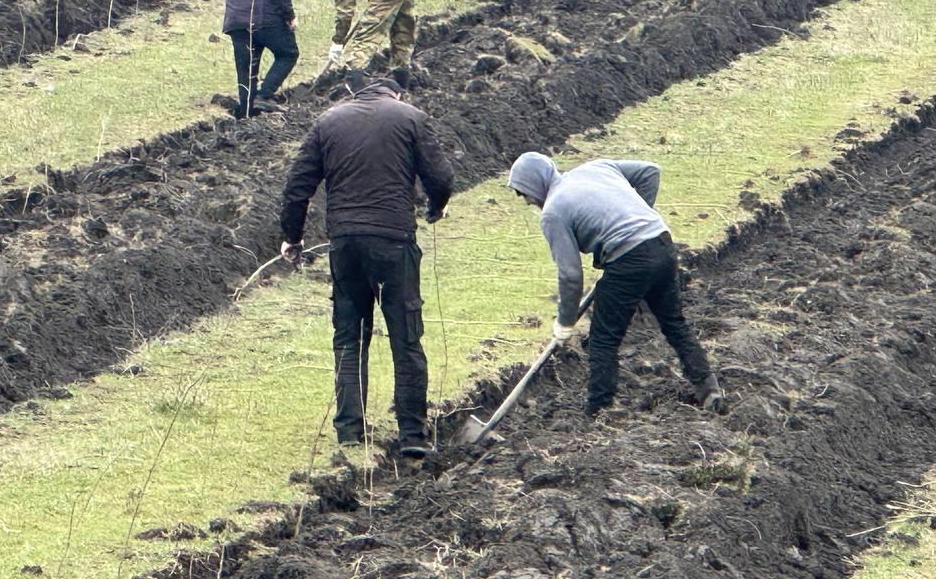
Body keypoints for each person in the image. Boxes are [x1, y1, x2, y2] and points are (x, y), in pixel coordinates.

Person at [280, 73, 454, 457]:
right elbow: (440, 176)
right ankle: (412, 434)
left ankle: (349, 431)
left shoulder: (328, 121)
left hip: (345, 244)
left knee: (348, 333)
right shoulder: (410, 117)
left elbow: (297, 187)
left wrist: (292, 237)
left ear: (353, 94)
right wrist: (435, 207)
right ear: (396, 94)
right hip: (394, 240)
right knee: (406, 335)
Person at [507, 153, 726, 417]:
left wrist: (565, 323)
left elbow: (570, 275)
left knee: (602, 340)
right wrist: (638, 218)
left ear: (534, 185)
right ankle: (709, 389)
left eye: (525, 194)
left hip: (629, 261)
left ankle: (600, 411)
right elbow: (650, 171)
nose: (529, 201)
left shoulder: (553, 212)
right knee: (674, 323)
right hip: (661, 243)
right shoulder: (595, 168)